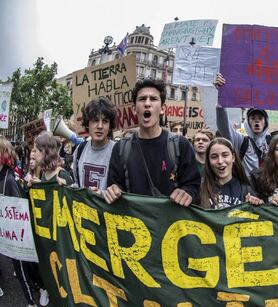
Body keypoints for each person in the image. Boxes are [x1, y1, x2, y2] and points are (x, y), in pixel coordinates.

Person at [105, 79, 200, 207]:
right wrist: (113, 191)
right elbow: (114, 187)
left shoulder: (180, 145)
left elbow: (194, 187)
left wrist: (187, 192)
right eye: (142, 99)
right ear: (134, 109)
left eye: (153, 99)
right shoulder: (121, 148)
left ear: (162, 109)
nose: (147, 103)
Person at [214, 73, 278, 176]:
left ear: (265, 121)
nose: (256, 121)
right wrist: (221, 96)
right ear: (248, 122)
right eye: (253, 118)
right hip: (250, 190)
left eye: (260, 118)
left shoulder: (274, 140)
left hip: (270, 189)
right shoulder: (241, 141)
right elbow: (224, 127)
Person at [0, 137, 48, 307]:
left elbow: (19, 209)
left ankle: (32, 301)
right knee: (22, 268)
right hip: (7, 233)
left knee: (25, 267)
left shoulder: (9, 180)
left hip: (17, 235)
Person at [199, 137, 263, 209]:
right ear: (208, 161)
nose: (220, 161)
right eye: (214, 157)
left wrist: (256, 205)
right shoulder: (199, 189)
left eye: (225, 155)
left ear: (233, 158)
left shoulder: (246, 190)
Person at [72, 97, 116, 191]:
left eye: (105, 121)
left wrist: (102, 196)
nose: (100, 126)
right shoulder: (80, 150)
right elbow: (77, 184)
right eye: (95, 120)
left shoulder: (117, 151)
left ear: (110, 126)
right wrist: (66, 186)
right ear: (87, 123)